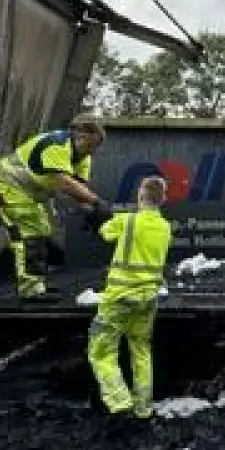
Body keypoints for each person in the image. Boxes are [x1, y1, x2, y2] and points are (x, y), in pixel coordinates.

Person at [0, 114, 111, 302]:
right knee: (31, 233)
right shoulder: (57, 145)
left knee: (40, 230)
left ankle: (35, 285)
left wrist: (91, 213)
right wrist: (98, 204)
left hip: (24, 192)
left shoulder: (82, 157)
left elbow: (78, 190)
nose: (92, 152)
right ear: (80, 136)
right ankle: (31, 290)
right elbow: (64, 183)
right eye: (90, 146)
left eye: (96, 148)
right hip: (7, 185)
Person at [86, 174, 172, 419]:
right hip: (148, 299)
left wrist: (98, 215)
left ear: (140, 196)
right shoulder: (165, 228)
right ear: (163, 200)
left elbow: (104, 233)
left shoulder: (127, 221)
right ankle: (143, 408)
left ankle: (119, 401)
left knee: (101, 352)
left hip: (119, 297)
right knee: (141, 349)